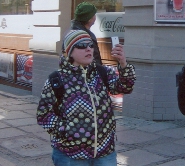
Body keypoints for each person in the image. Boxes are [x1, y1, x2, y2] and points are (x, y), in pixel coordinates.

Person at [36, 29, 136, 166]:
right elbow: (43, 115)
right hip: (71, 155)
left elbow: (125, 88)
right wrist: (66, 131)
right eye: (82, 45)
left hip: (104, 152)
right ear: (69, 51)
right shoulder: (57, 79)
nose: (88, 49)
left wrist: (123, 64)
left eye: (90, 45)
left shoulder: (102, 73)